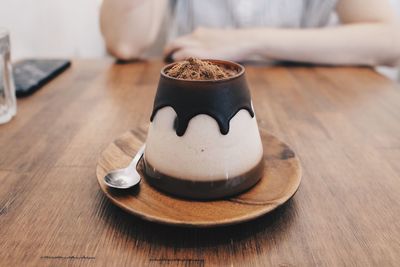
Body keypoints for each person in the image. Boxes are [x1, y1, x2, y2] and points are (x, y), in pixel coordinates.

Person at [100, 0, 400, 66]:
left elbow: (390, 40)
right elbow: (125, 40)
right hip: (192, 107)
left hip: (303, 111)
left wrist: (248, 40)